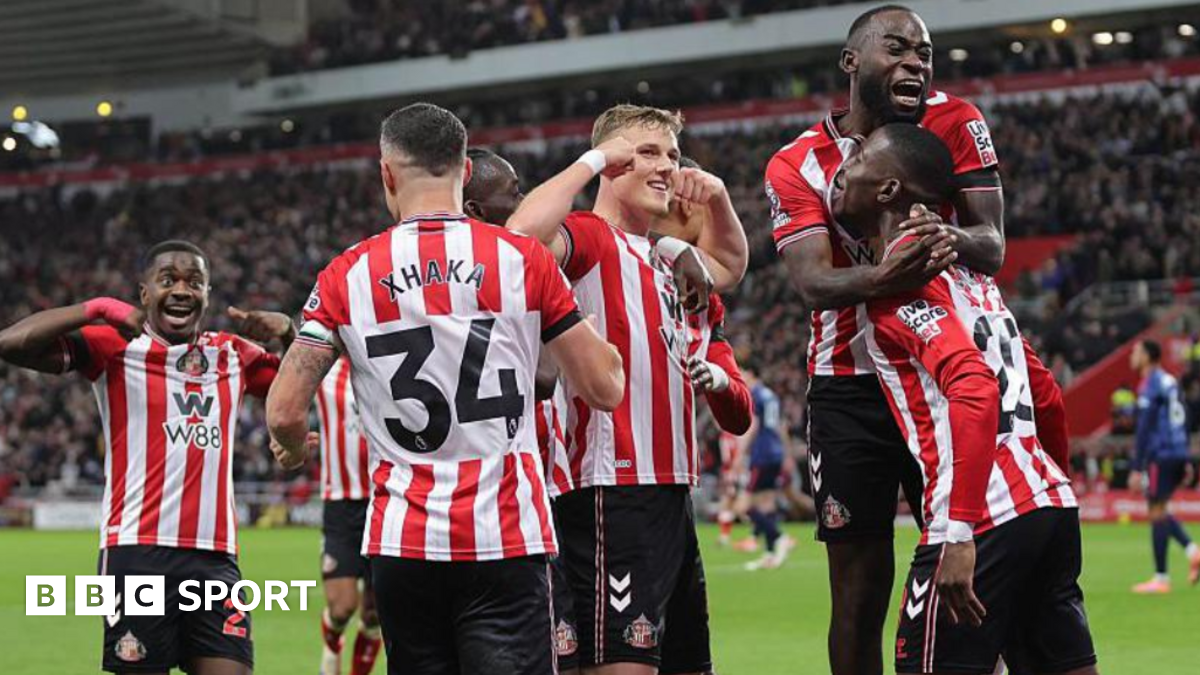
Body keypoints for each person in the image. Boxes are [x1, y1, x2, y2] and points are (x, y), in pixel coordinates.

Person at [265, 102, 625, 675]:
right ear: (463, 170)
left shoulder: (348, 273)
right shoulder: (523, 259)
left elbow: (285, 407)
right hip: (506, 534)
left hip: (404, 541)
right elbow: (603, 387)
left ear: (387, 174)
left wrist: (288, 446)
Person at [763, 6, 1010, 673]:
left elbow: (993, 245)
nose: (916, 64)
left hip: (937, 373)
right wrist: (886, 274)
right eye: (897, 49)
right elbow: (813, 282)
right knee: (860, 585)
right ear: (852, 62)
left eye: (925, 53)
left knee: (974, 557)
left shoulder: (957, 122)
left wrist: (950, 238)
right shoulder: (795, 163)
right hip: (848, 392)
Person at [830, 122, 1097, 675]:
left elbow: (973, 387)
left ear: (886, 192)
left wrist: (958, 530)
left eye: (855, 165)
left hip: (981, 516)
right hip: (1046, 503)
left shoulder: (903, 276)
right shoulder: (971, 274)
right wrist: (1053, 488)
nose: (840, 173)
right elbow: (1043, 391)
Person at [509, 104, 748, 675]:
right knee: (621, 664)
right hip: (609, 490)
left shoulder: (666, 256)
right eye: (647, 153)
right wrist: (593, 161)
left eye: (672, 154)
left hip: (671, 492)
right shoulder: (589, 239)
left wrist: (715, 196)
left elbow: (731, 267)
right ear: (615, 161)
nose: (666, 166)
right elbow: (521, 237)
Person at [0, 239, 297, 675]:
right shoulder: (115, 347)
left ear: (208, 295)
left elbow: (308, 389)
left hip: (215, 559)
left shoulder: (233, 354)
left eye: (195, 282)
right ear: (144, 294)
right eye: (168, 280)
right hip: (137, 555)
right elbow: (10, 343)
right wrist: (96, 307)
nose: (182, 290)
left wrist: (290, 332)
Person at [315, 354, 382, 675]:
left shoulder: (388, 361)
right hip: (342, 504)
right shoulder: (327, 373)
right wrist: (286, 330)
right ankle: (331, 648)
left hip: (385, 500)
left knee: (374, 614)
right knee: (342, 607)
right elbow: (295, 352)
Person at [1128, 339, 1200, 593]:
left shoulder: (1151, 383)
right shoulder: (1170, 381)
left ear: (1148, 356)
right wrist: (1186, 456)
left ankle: (1161, 578)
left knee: (1156, 512)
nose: (1132, 355)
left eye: (1136, 351)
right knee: (1159, 510)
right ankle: (1192, 552)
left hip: (1162, 454)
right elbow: (1184, 417)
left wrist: (1137, 467)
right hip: (1178, 452)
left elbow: (1145, 428)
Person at [739, 359, 796, 571]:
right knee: (767, 504)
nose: (740, 376)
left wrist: (738, 457)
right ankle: (771, 553)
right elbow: (781, 427)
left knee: (743, 507)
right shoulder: (770, 395)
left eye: (741, 372)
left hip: (762, 454)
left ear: (751, 373)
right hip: (775, 453)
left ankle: (779, 537)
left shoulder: (754, 395)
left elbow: (753, 427)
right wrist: (787, 454)